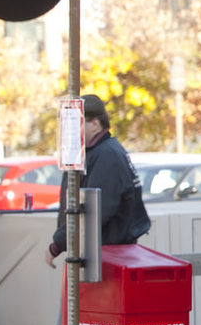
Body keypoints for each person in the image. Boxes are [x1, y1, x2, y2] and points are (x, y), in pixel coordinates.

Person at [46, 94, 151, 268]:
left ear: (94, 124)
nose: (68, 131)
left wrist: (57, 245)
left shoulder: (107, 156)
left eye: (74, 124)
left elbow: (94, 211)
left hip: (108, 257)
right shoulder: (101, 152)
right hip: (104, 254)